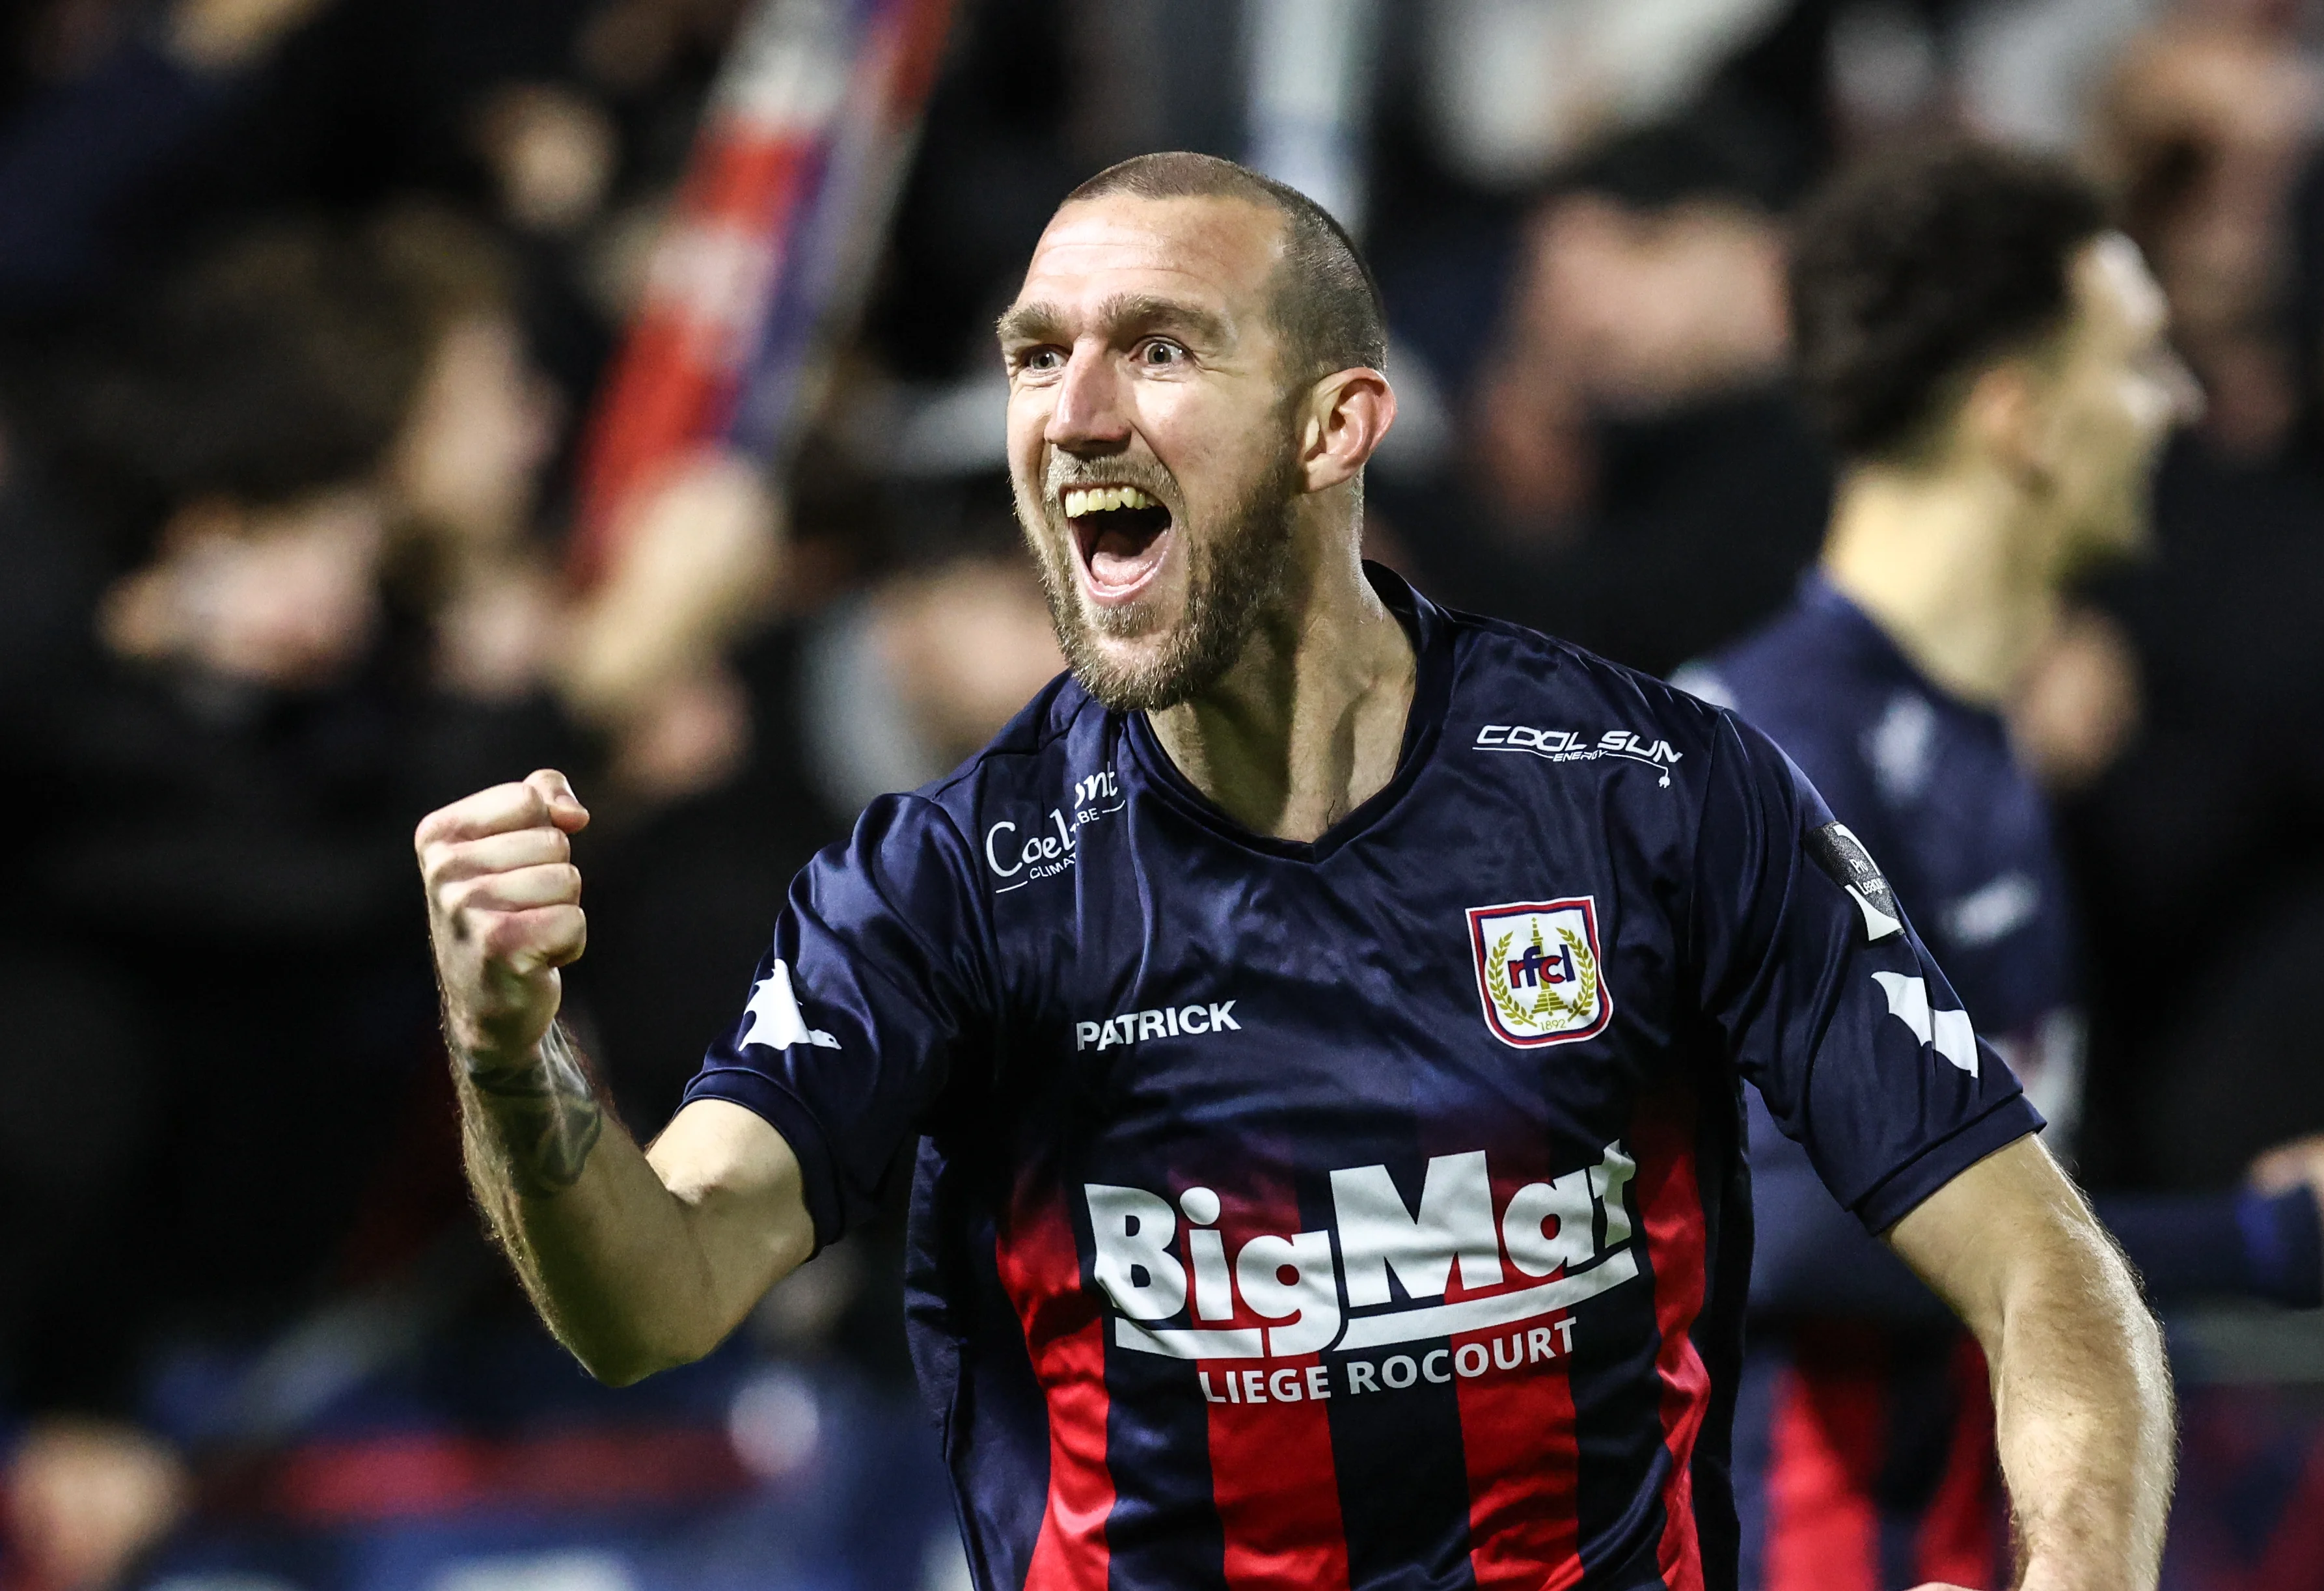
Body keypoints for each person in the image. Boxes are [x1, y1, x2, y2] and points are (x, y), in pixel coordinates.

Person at [415, 152, 2171, 1590]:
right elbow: (655, 1296)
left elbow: (2041, 1263)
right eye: (1038, 357)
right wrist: (512, 1054)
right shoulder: (948, 882)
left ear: (1339, 424)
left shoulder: (1659, 798)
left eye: (1159, 349)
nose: (1075, 413)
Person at [1678, 144, 2324, 1591]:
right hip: (1808, 1540)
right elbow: (1800, 1230)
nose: (2177, 406)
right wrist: (2262, 1239)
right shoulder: (1767, 754)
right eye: (2136, 364)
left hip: (1974, 1524)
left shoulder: (1972, 732)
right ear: (2020, 419)